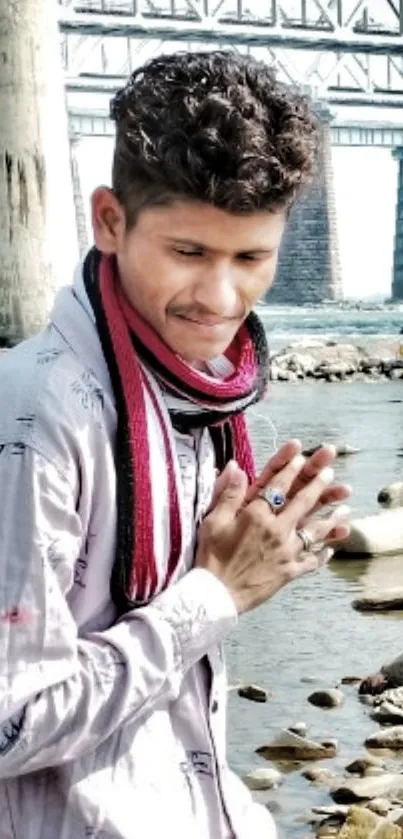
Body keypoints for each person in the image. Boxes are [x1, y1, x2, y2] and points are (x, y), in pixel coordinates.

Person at [0, 51, 351, 838]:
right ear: (110, 221)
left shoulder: (189, 396)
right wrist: (216, 592)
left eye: (251, 258)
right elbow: (11, 721)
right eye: (189, 253)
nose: (220, 299)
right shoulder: (34, 415)